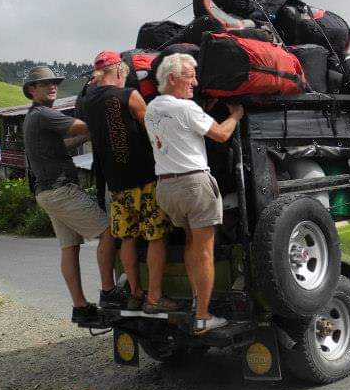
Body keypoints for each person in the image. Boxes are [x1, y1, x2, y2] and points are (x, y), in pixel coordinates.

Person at [143, 53, 244, 334]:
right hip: (193, 185)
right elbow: (221, 135)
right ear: (172, 78)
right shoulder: (186, 109)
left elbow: (179, 129)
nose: (195, 82)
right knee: (204, 251)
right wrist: (235, 115)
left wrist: (201, 109)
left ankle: (195, 304)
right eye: (190, 76)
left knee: (190, 242)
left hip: (166, 187)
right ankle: (202, 316)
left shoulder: (152, 108)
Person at [76, 51, 178, 314]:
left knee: (128, 238)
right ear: (121, 72)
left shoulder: (87, 103)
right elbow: (155, 134)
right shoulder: (129, 96)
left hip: (116, 183)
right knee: (156, 237)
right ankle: (154, 298)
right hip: (144, 179)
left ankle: (135, 293)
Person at [21, 65, 118, 322]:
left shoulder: (34, 117)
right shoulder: (43, 115)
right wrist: (106, 116)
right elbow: (81, 127)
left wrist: (87, 139)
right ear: (32, 90)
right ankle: (109, 291)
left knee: (69, 247)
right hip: (61, 190)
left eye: (54, 82)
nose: (52, 86)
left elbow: (65, 144)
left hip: (47, 192)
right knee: (109, 231)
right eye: (45, 84)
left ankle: (81, 307)